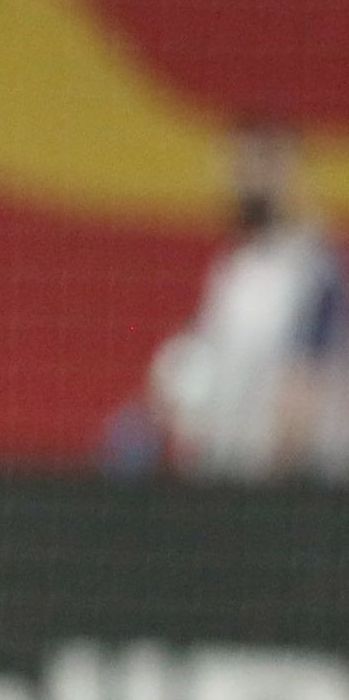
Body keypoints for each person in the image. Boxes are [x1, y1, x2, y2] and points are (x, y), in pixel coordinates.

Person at [147, 118, 349, 482]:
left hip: (285, 486)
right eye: (239, 168)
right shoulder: (234, 268)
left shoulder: (311, 271)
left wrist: (279, 484)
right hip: (225, 474)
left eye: (259, 166)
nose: (243, 181)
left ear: (288, 175)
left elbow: (303, 388)